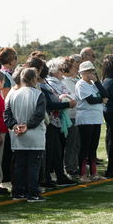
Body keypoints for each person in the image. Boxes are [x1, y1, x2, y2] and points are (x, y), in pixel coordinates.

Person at [4, 68, 47, 202]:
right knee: (34, 166)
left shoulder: (13, 94)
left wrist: (15, 125)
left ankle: (17, 192)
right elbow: (39, 114)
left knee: (20, 165)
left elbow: (6, 115)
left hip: (18, 136)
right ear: (34, 79)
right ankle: (33, 193)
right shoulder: (38, 94)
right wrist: (28, 125)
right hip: (34, 136)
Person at [39, 58, 76, 188]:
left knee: (56, 150)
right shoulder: (45, 84)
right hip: (48, 121)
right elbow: (49, 103)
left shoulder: (46, 83)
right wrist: (66, 103)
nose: (63, 71)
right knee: (49, 151)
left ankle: (59, 176)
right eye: (61, 69)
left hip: (55, 121)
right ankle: (46, 178)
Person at [76, 61, 108, 182]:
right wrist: (101, 100)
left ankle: (94, 173)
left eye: (92, 71)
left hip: (96, 117)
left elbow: (105, 94)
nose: (91, 74)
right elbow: (90, 100)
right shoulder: (81, 84)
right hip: (85, 118)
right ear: (82, 73)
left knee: (93, 147)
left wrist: (97, 82)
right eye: (88, 71)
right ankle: (82, 174)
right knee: (85, 147)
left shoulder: (94, 84)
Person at [62, 57, 81, 176]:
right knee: (70, 143)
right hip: (70, 116)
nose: (76, 68)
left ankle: (75, 165)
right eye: (74, 66)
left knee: (76, 143)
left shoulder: (74, 80)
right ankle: (69, 167)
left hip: (77, 115)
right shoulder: (65, 81)